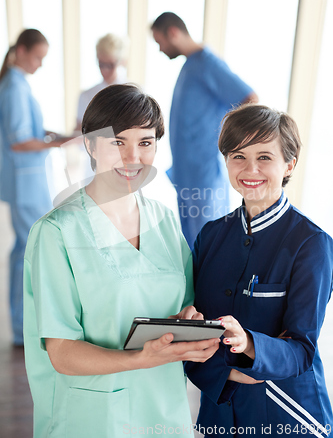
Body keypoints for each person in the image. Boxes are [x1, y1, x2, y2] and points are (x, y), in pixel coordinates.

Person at [23, 84, 220, 438]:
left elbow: (185, 304)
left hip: (163, 408)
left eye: (145, 143)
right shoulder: (56, 233)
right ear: (90, 145)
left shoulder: (164, 220)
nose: (133, 157)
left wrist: (189, 319)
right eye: (118, 142)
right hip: (93, 416)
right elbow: (62, 352)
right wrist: (137, 360)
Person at [185, 104, 333, 437]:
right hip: (220, 417)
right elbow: (189, 332)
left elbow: (301, 350)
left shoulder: (312, 244)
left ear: (289, 164)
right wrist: (230, 370)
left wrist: (249, 344)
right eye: (238, 156)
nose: (250, 169)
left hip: (289, 415)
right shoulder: (210, 236)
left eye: (265, 157)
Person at [151, 12, 258, 249]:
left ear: (173, 33)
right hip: (186, 174)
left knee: (210, 245)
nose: (160, 49)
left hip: (203, 173)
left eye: (160, 42)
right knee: (192, 246)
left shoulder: (208, 63)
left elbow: (249, 99)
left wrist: (232, 145)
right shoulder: (190, 66)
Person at [0, 29, 72, 346]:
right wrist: (59, 142)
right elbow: (19, 141)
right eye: (38, 57)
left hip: (27, 181)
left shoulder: (17, 86)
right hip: (25, 181)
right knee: (28, 253)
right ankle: (21, 327)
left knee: (23, 251)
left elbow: (29, 130)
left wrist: (54, 134)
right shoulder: (13, 87)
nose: (40, 64)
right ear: (22, 51)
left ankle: (21, 324)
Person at [75, 33, 128, 130]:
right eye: (101, 64)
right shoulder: (86, 96)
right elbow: (79, 131)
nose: (105, 70)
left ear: (121, 61)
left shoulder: (135, 93)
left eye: (110, 65)